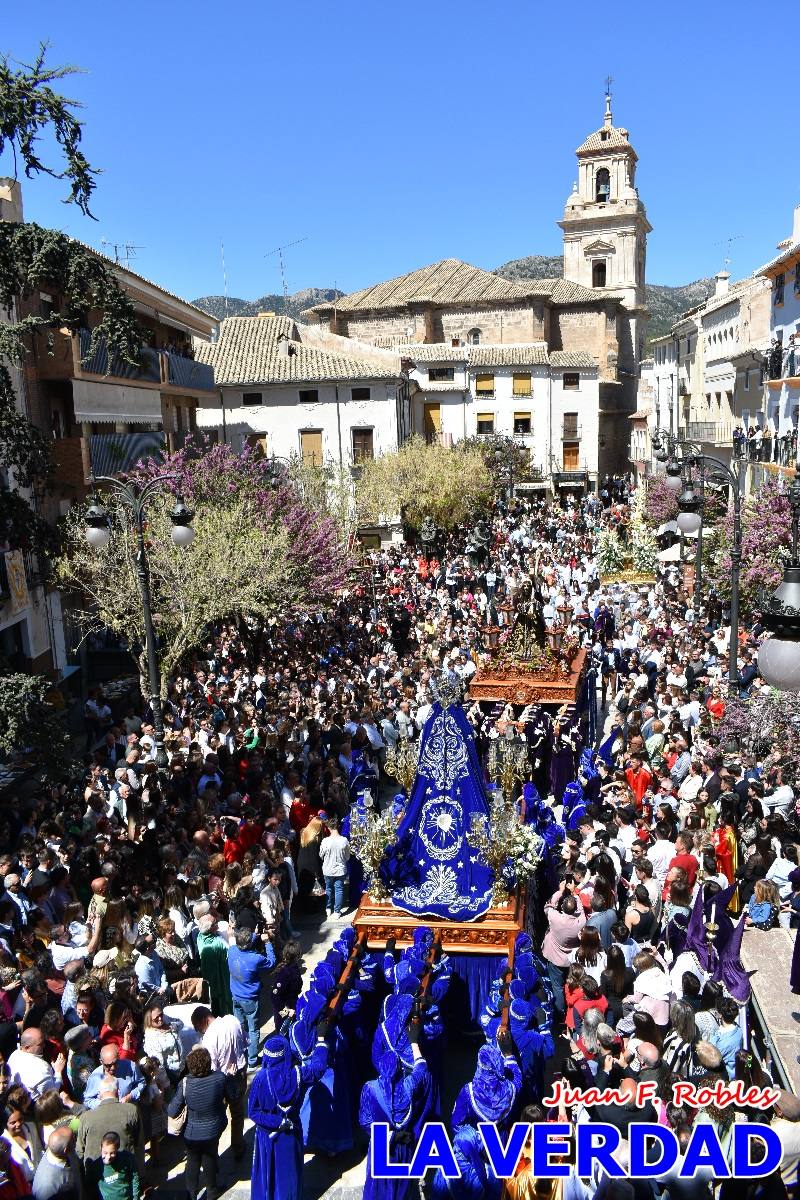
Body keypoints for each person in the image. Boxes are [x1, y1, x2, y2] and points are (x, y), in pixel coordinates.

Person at [249, 1034, 328, 1200]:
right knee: (289, 1175)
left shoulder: (260, 1078)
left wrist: (275, 1122)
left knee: (268, 1176)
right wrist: (321, 1042)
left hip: (266, 1137)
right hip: (291, 1133)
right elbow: (318, 1068)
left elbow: (253, 1112)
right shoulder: (299, 1074)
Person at [167, 1047, 239, 1200]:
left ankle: (191, 1195)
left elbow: (172, 1110)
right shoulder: (219, 1078)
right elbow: (233, 1096)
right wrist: (231, 1077)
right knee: (210, 1158)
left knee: (192, 1162)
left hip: (191, 1133)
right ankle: (212, 1190)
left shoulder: (185, 1083)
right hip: (213, 1130)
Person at [190, 1007, 247, 1158]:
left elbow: (211, 1066)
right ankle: (238, 1147)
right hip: (240, 1074)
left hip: (221, 1081)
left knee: (216, 1118)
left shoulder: (209, 1038)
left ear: (203, 1020)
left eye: (197, 1028)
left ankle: (213, 1154)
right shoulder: (232, 1020)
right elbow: (245, 1041)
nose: (199, 1032)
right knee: (238, 1114)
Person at [76, 1080, 140, 1186]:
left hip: (96, 1179)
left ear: (99, 1094)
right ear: (118, 1092)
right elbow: (137, 1140)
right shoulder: (131, 1110)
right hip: (123, 1174)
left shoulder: (86, 1117)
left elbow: (80, 1151)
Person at [227, 928, 275, 1068]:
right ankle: (252, 1060)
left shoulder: (232, 951)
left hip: (235, 996)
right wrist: (267, 942)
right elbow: (271, 962)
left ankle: (240, 1055)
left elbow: (247, 939)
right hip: (250, 999)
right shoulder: (256, 959)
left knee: (240, 1027)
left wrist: (256, 934)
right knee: (253, 1029)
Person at [31, 1128, 81, 1200]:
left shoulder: (57, 1151)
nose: (76, 1138)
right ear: (66, 1150)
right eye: (73, 1138)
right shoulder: (47, 1188)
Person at [318, 816, 350, 920]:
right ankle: (337, 911)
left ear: (328, 828)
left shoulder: (325, 841)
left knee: (328, 888)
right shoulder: (344, 840)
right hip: (340, 869)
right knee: (339, 889)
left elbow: (321, 855)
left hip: (328, 869)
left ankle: (328, 908)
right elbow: (347, 856)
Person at [95, 1133, 139, 1200]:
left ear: (117, 1149)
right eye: (105, 1153)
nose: (108, 1157)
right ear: (100, 1148)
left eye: (112, 1153)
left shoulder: (126, 1159)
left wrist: (135, 1197)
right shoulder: (96, 1166)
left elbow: (134, 1177)